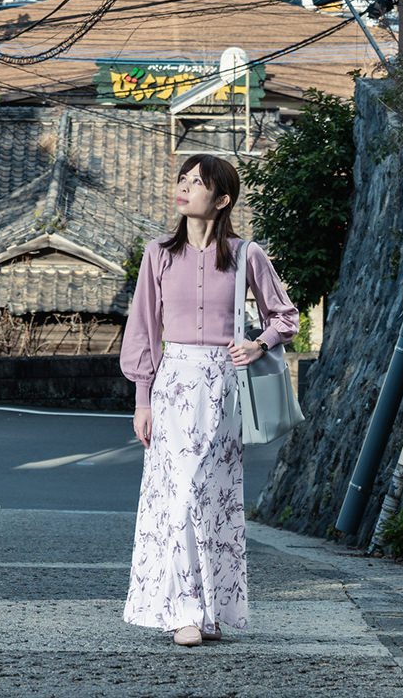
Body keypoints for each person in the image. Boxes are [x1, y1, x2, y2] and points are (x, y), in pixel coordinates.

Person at [119, 152, 298, 645]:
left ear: (221, 200)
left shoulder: (246, 255)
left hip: (223, 388)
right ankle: (182, 612)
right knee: (175, 497)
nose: (183, 187)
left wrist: (258, 343)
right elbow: (143, 329)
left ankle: (212, 609)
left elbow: (285, 316)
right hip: (172, 384)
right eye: (182, 179)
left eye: (196, 183)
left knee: (213, 499)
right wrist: (142, 399)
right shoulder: (157, 253)